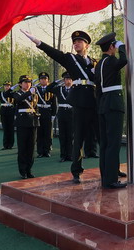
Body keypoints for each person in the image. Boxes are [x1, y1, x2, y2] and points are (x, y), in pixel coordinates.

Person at [21, 29, 98, 184]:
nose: (76, 44)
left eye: (80, 41)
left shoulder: (94, 62)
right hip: (79, 101)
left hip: (94, 100)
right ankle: (76, 170)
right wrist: (36, 40)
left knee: (100, 136)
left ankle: (111, 169)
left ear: (87, 45)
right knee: (78, 137)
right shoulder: (70, 58)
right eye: (74, 42)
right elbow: (53, 53)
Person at [94, 33, 128, 189]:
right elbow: (124, 60)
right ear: (111, 46)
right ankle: (111, 180)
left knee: (105, 144)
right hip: (113, 104)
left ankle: (105, 177)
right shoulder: (111, 61)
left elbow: (98, 90)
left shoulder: (99, 64)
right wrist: (122, 47)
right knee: (113, 144)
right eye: (114, 45)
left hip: (103, 105)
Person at [13, 75, 39, 179]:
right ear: (20, 84)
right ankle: (22, 170)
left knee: (31, 147)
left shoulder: (34, 94)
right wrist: (29, 93)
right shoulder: (17, 93)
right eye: (25, 82)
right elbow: (18, 100)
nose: (28, 84)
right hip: (22, 122)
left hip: (32, 122)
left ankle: (29, 170)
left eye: (29, 82)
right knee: (22, 147)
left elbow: (35, 107)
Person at [50, 71, 74, 162]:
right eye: (66, 79)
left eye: (70, 79)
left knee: (71, 135)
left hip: (71, 113)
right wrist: (57, 82)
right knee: (62, 135)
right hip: (62, 113)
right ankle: (63, 155)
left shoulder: (75, 89)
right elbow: (49, 88)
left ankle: (70, 155)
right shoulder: (59, 89)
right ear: (64, 80)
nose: (68, 81)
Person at [34, 72, 57, 158]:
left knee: (48, 132)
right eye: (42, 79)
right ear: (39, 80)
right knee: (39, 133)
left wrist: (53, 114)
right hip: (39, 111)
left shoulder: (51, 89)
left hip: (48, 111)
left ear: (48, 80)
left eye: (45, 79)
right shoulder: (36, 89)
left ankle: (47, 151)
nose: (43, 80)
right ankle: (40, 151)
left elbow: (54, 103)